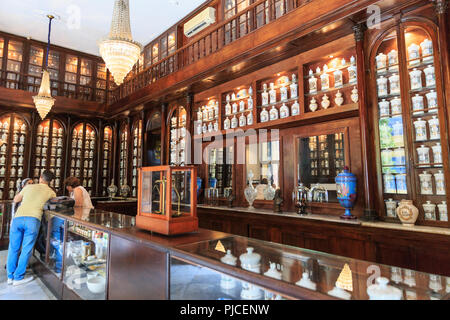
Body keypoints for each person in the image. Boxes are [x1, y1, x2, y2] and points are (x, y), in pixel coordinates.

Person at [7, 170, 56, 286]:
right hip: (33, 219)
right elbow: (52, 209)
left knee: (13, 248)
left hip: (18, 218)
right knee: (26, 249)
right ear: (51, 181)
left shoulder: (29, 187)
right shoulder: (51, 192)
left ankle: (10, 276)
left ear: (40, 177)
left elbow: (16, 199)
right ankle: (18, 277)